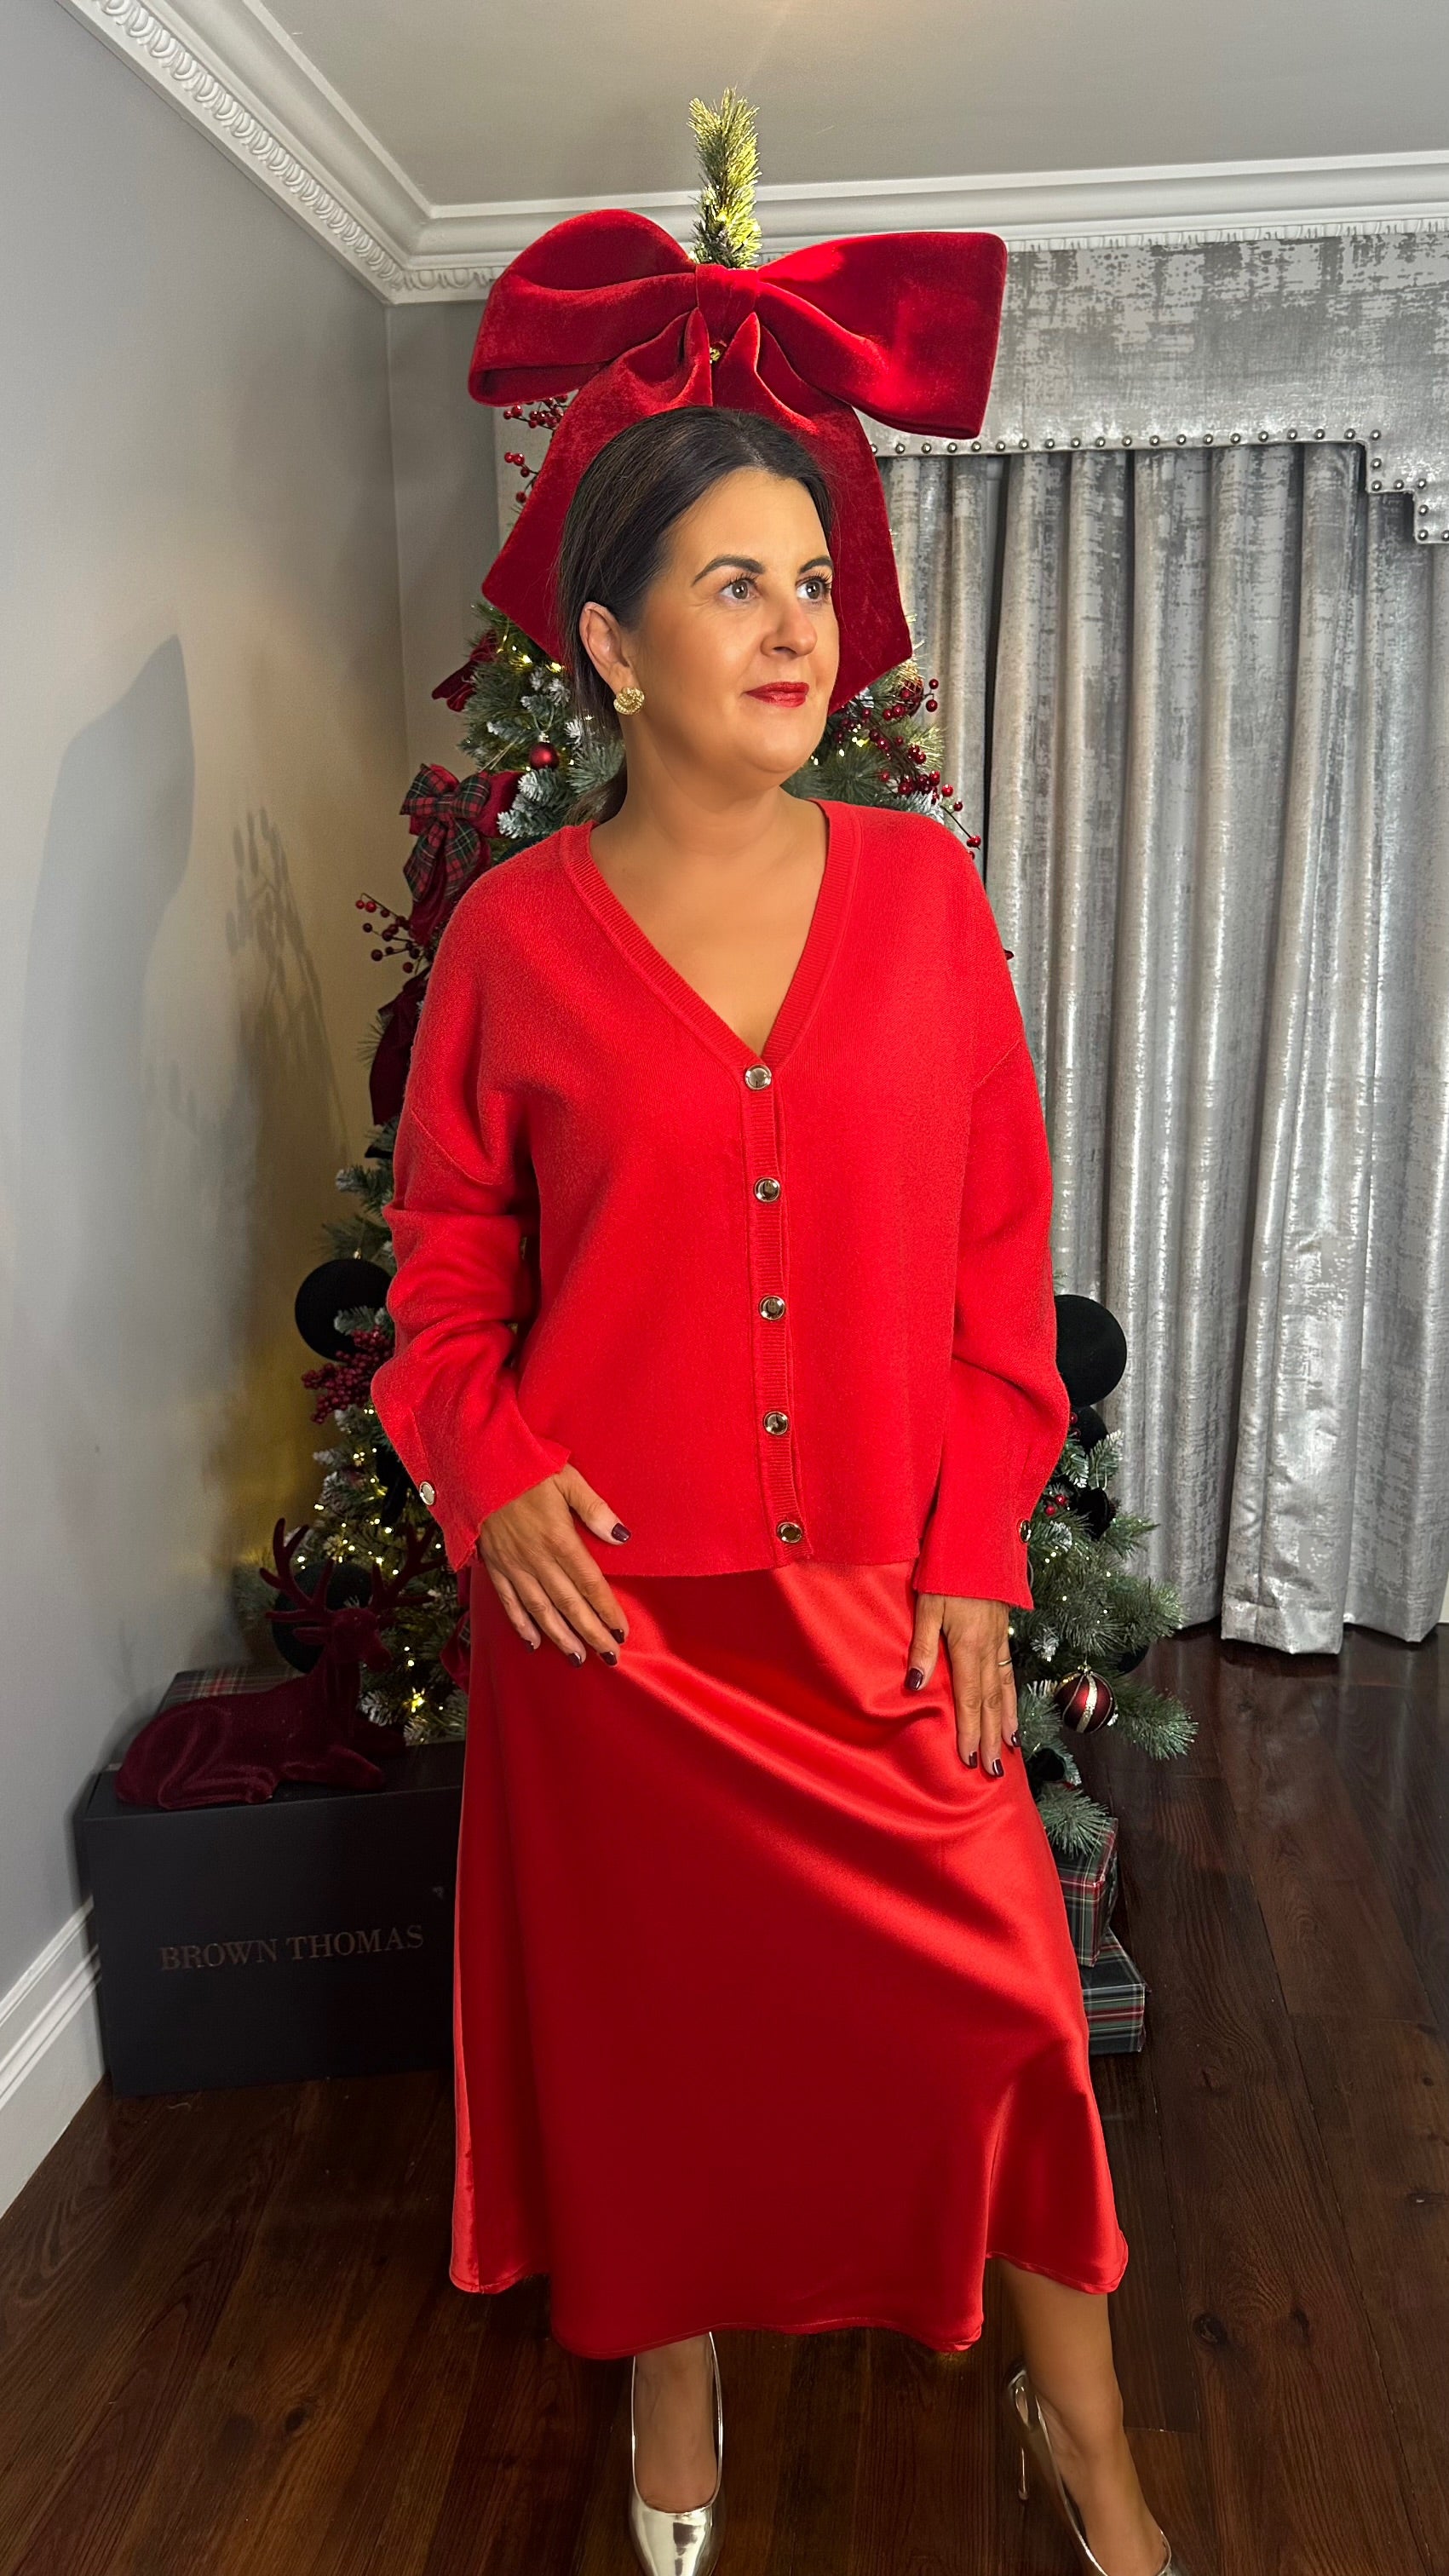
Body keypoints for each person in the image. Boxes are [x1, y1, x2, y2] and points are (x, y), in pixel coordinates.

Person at [371, 405, 1189, 2576]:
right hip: (612, 1640)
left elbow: (995, 1265)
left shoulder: (920, 899)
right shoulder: (512, 943)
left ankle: (1088, 2446)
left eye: (810, 582)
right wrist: (492, 1471)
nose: (792, 627)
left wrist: (973, 1552)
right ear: (609, 647)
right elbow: (439, 1279)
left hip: (883, 1609)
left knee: (1008, 2020)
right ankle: (672, 2377)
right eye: (732, 583)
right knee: (651, 2062)